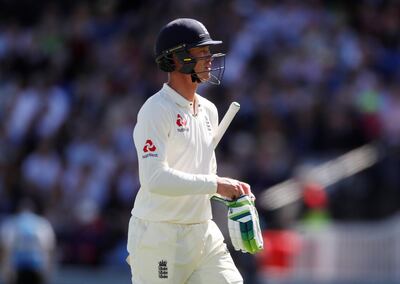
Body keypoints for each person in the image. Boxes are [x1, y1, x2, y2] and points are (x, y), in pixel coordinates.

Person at [126, 18, 253, 284]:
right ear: (178, 58)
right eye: (201, 51)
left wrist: (233, 196)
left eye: (209, 51)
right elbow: (154, 179)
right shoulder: (155, 110)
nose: (209, 58)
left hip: (202, 233)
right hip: (159, 237)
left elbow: (203, 176)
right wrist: (216, 185)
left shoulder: (209, 110)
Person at [0, 198, 56, 284]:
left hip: (17, 269)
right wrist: (48, 271)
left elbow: (5, 249)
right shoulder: (42, 223)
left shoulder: (11, 222)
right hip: (36, 268)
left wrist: (5, 270)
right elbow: (48, 249)